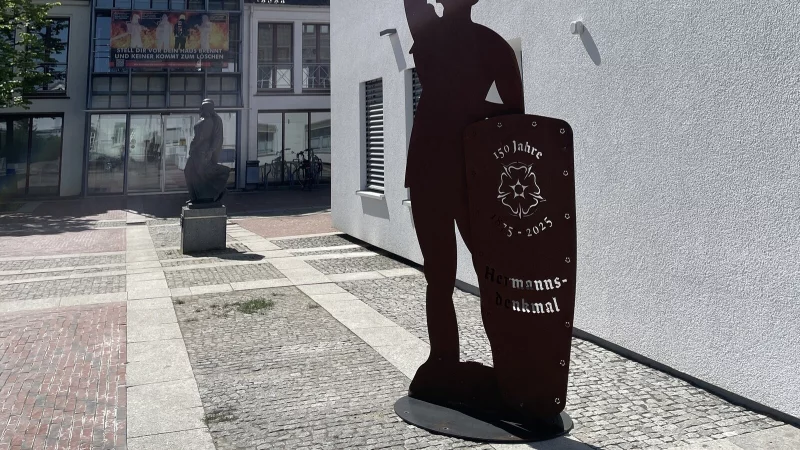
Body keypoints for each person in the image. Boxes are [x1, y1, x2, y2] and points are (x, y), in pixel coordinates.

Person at [403, 0, 525, 402]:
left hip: (454, 171)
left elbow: (515, 117)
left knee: (479, 274)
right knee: (466, 275)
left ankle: (496, 365)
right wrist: (472, 106)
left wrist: (459, 104)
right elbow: (512, 113)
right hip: (456, 171)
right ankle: (452, 362)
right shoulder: (490, 45)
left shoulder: (438, 35)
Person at [183, 99, 231, 205]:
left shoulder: (212, 120)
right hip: (197, 151)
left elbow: (216, 138)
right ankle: (195, 196)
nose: (202, 109)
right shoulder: (205, 119)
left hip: (202, 152)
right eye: (202, 107)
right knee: (190, 172)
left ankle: (222, 178)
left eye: (204, 107)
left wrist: (211, 151)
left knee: (201, 173)